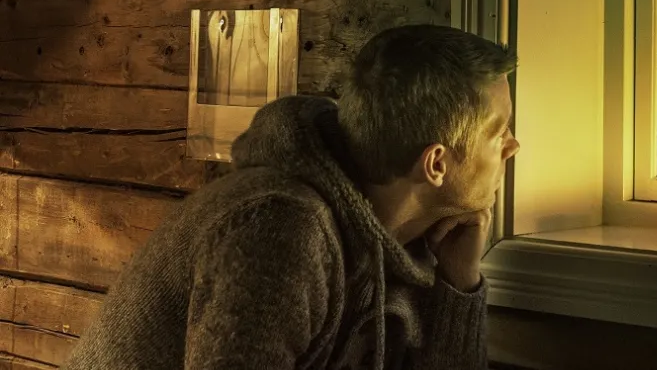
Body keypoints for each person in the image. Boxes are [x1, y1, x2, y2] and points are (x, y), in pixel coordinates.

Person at [67, 24, 521, 369]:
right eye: (498, 132)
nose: (513, 145)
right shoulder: (280, 230)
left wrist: (459, 284)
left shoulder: (408, 239)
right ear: (436, 164)